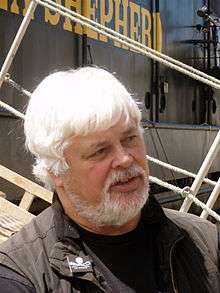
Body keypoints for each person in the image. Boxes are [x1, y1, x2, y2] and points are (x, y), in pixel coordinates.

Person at [0, 67, 219, 293]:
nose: (125, 159)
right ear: (56, 171)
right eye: (100, 151)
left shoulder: (207, 242)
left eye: (130, 138)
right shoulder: (19, 278)